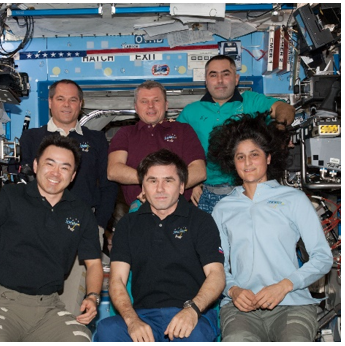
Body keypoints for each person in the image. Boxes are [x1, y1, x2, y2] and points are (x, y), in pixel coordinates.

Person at [0, 136, 102, 341]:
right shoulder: (12, 197)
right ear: (35, 165)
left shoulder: (81, 212)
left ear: (73, 175)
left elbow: (94, 263)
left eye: (64, 168)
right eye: (49, 164)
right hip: (5, 306)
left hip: (51, 308)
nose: (55, 173)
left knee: (80, 340)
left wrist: (92, 297)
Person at [208, 113, 332, 342]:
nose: (247, 163)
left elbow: (323, 257)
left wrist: (285, 285)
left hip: (292, 304)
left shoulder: (294, 199)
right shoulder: (223, 209)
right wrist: (233, 290)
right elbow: (216, 266)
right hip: (241, 308)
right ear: (233, 163)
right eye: (240, 157)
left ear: (268, 158)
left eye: (254, 155)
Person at [93, 150, 225, 342]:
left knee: (194, 335)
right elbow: (117, 280)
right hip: (143, 316)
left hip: (193, 312)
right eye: (152, 181)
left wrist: (192, 311)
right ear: (143, 187)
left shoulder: (201, 221)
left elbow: (216, 274)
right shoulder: (128, 225)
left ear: (181, 186)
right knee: (107, 329)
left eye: (168, 181)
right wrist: (132, 321)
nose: (160, 188)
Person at [19, 79, 117, 310]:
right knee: (34, 300)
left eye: (73, 99)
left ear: (80, 104)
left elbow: (108, 185)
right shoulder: (32, 138)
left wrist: (98, 225)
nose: (66, 104)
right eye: (60, 99)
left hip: (83, 227)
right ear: (50, 103)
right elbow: (23, 184)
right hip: (38, 228)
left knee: (72, 301)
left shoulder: (96, 140)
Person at [178, 55, 296, 213]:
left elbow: (285, 109)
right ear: (206, 80)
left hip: (249, 190)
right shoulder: (190, 112)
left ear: (236, 78)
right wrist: (190, 183)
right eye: (213, 75)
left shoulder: (251, 101)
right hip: (206, 194)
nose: (220, 80)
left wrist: (280, 130)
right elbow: (176, 151)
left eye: (225, 74)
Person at [107, 80, 206, 208]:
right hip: (139, 209)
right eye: (144, 101)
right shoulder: (125, 133)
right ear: (136, 107)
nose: (150, 106)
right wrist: (151, 185)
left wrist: (167, 191)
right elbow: (114, 170)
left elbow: (199, 171)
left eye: (156, 100)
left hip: (179, 208)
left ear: (166, 105)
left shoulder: (183, 130)